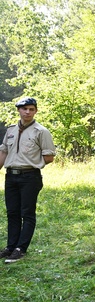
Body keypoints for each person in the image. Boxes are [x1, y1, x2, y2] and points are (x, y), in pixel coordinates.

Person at [0, 97, 56, 264]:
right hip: (11, 176)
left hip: (30, 177)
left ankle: (21, 249)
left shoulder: (41, 131)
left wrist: (31, 164)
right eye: (24, 109)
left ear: (35, 111)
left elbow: (49, 156)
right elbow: (3, 152)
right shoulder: (10, 130)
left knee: (27, 213)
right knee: (12, 212)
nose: (27, 112)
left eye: (31, 109)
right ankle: (10, 247)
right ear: (18, 110)